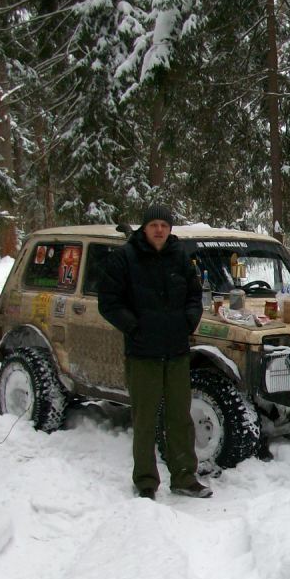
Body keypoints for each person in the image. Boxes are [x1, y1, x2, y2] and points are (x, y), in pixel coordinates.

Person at [98, 204, 210, 499]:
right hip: (143, 353)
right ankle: (146, 481)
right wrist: (135, 328)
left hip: (176, 351)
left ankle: (185, 477)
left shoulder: (180, 257)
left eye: (164, 225)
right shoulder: (125, 258)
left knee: (179, 418)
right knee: (145, 420)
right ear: (144, 228)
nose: (159, 230)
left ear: (170, 228)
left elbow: (194, 295)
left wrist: (188, 321)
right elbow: (108, 301)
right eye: (153, 225)